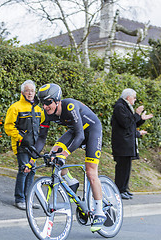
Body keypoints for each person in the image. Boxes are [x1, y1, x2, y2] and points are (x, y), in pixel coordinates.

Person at [28, 83, 106, 232]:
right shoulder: (46, 114)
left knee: (91, 172)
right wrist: (31, 161)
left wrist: (65, 154)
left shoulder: (69, 106)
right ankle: (71, 181)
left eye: (48, 102)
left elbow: (80, 136)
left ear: (57, 100)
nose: (45, 106)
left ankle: (100, 212)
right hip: (76, 131)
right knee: (53, 154)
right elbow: (41, 139)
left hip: (92, 131)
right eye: (42, 103)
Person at [4, 80, 43, 210]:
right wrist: (21, 138)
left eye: (32, 91)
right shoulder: (15, 107)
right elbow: (8, 127)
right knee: (24, 170)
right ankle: (19, 199)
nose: (30, 93)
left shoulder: (38, 109)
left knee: (32, 171)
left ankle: (28, 199)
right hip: (21, 145)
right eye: (27, 90)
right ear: (22, 92)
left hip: (33, 146)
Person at [111, 88, 153, 200]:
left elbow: (132, 123)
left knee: (127, 168)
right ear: (128, 97)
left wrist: (141, 118)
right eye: (134, 97)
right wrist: (137, 114)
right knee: (121, 168)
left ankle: (124, 189)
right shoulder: (120, 106)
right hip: (122, 143)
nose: (135, 100)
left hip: (127, 143)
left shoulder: (125, 107)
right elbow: (125, 123)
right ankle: (119, 190)